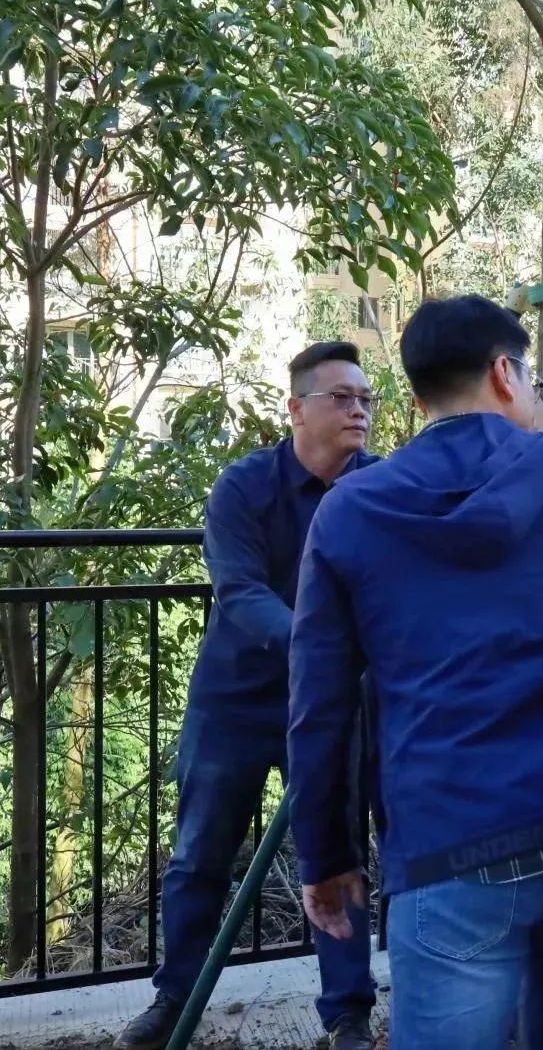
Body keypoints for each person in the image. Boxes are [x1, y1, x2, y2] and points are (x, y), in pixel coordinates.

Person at [286, 296, 543, 1050]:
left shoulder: (351, 509)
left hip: (450, 834)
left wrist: (326, 852)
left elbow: (320, 704)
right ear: (506, 374)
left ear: (418, 399)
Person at [115, 341, 381, 1050]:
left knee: (337, 851)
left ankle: (348, 1014)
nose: (358, 409)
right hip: (236, 699)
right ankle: (176, 998)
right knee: (199, 853)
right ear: (296, 409)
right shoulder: (244, 486)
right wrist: (320, 648)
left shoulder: (379, 486)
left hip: (329, 705)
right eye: (342, 397)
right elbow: (239, 591)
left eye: (366, 398)